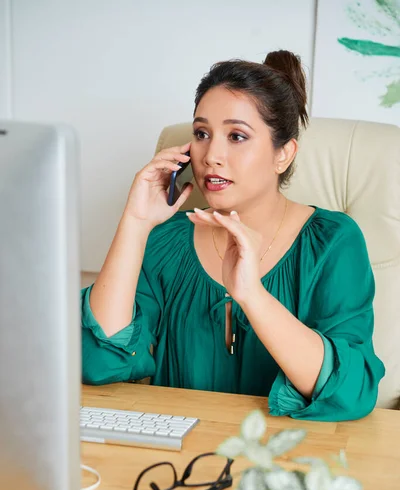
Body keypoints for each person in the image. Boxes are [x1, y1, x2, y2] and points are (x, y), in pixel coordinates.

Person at [81, 50, 385, 421]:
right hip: (178, 463)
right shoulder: (166, 243)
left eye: (237, 136)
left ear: (283, 155)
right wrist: (135, 221)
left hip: (289, 464)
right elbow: (98, 363)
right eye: (202, 134)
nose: (211, 155)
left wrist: (252, 296)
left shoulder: (332, 242)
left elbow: (350, 393)